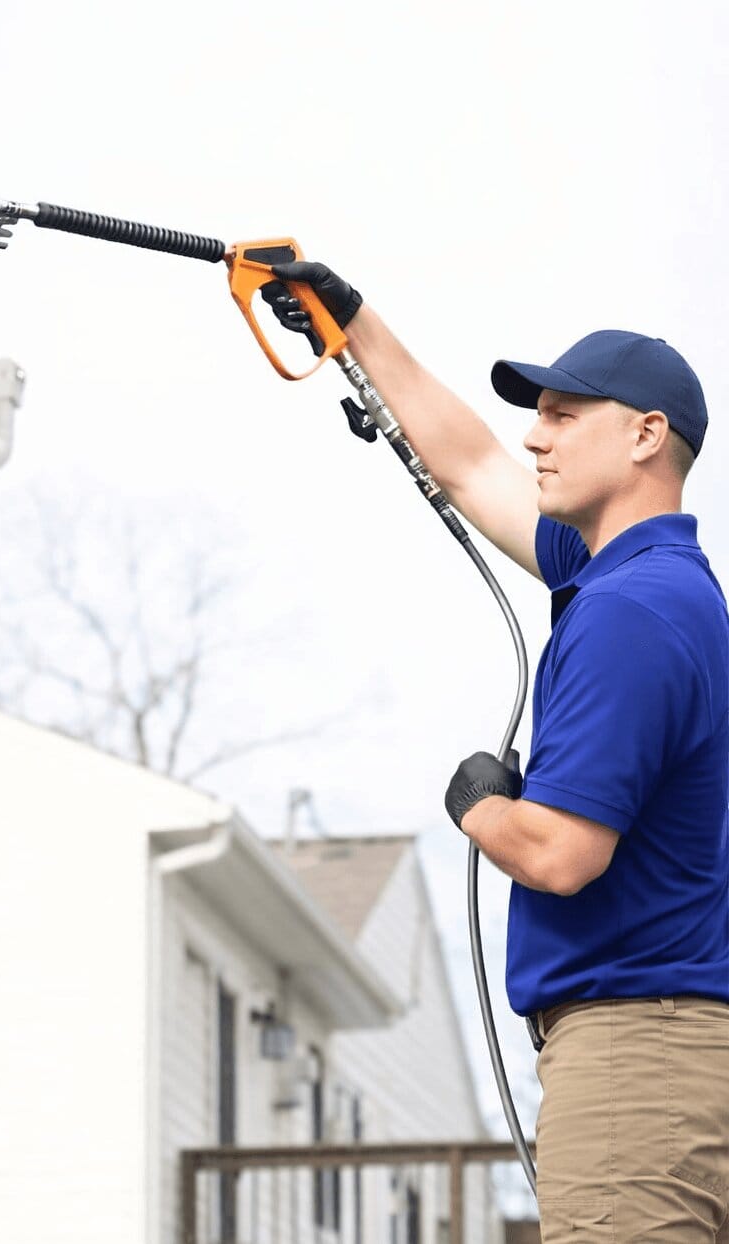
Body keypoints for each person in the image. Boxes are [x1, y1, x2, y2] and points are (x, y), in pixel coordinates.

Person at [265, 261, 729, 1243]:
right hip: (670, 1043)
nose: (533, 433)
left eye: (563, 415)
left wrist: (480, 804)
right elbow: (473, 465)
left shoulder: (629, 613)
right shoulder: (648, 578)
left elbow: (561, 853)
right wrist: (351, 329)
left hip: (637, 1053)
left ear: (645, 433)